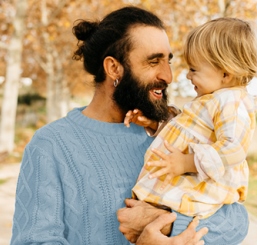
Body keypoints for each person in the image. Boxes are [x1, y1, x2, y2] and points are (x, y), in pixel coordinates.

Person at [10, 6, 209, 245]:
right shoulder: (51, 145)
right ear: (114, 68)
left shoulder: (171, 134)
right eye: (153, 61)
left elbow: (236, 220)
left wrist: (167, 223)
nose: (167, 75)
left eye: (168, 61)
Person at [127, 17, 257, 244]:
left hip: (204, 186)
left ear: (226, 73)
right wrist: (153, 123)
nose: (187, 75)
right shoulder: (212, 100)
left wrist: (186, 163)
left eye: (194, 69)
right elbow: (186, 131)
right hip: (187, 186)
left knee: (142, 218)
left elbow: (234, 150)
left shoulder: (232, 101)